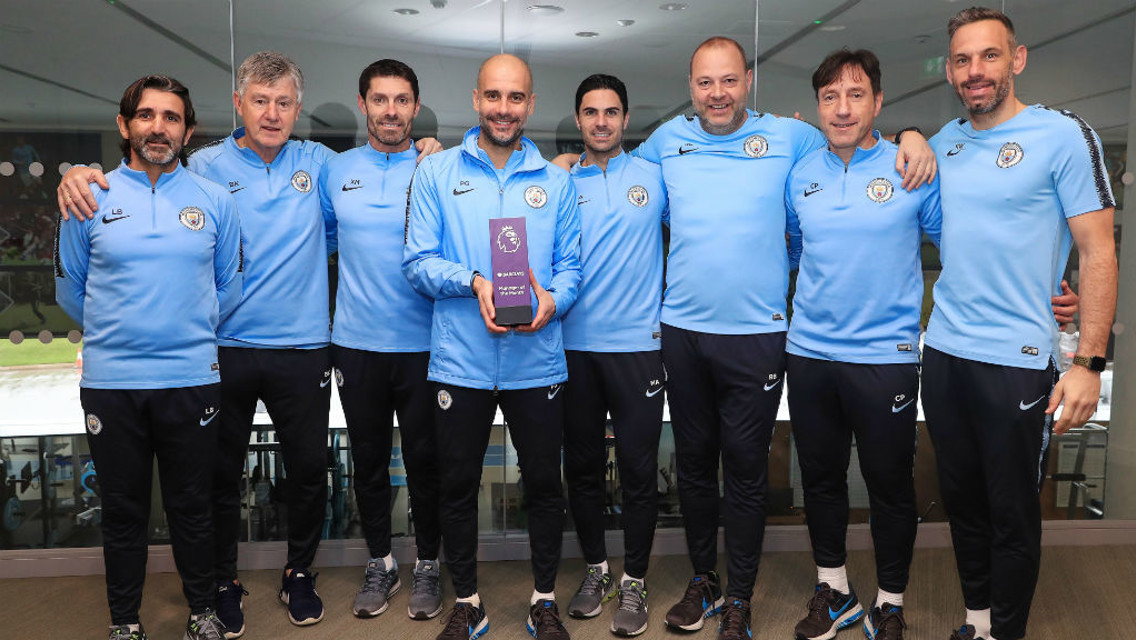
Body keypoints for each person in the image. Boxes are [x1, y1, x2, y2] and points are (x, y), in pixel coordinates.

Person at [56, 51, 441, 638]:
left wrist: (429, 149)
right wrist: (79, 172)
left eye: (284, 102)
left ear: (297, 109)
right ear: (238, 104)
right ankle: (221, 583)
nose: (272, 113)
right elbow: (134, 192)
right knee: (217, 479)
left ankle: (299, 572)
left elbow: (378, 183)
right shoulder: (203, 168)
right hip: (224, 348)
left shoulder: (324, 164)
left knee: (310, 472)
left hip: (306, 345)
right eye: (260, 101)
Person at [629, 37, 936, 640]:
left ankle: (740, 597)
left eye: (728, 80)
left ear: (748, 80)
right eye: (704, 83)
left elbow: (857, 139)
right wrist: (562, 163)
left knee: (747, 470)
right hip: (683, 331)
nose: (717, 93)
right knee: (693, 467)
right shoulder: (666, 141)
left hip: (762, 335)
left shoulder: (793, 139)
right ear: (691, 87)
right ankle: (704, 583)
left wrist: (914, 133)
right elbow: (613, 175)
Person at [922, 8, 1117, 640]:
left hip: (1018, 360)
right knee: (965, 506)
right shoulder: (945, 142)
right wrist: (905, 134)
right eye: (962, 60)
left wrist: (1089, 361)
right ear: (949, 70)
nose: (974, 71)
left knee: (1011, 515)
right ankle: (977, 622)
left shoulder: (1063, 135)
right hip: (946, 354)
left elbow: (1098, 251)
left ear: (1018, 59)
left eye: (988, 56)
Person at [54, 74, 242, 640]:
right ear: (124, 125)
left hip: (192, 380)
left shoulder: (213, 200)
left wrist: (185, 329)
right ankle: (125, 622)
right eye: (147, 115)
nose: (159, 127)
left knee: (193, 505)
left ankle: (203, 611)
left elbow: (229, 285)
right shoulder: (89, 197)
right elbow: (71, 290)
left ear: (187, 130)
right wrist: (126, 334)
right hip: (113, 384)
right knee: (123, 510)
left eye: (172, 117)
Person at [402, 53, 581, 640]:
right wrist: (473, 281)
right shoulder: (436, 173)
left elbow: (573, 269)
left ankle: (544, 600)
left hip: (537, 360)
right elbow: (418, 261)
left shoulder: (558, 183)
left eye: (516, 98)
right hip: (462, 359)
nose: (504, 109)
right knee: (456, 485)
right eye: (493, 96)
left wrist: (552, 299)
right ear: (476, 99)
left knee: (544, 486)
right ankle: (470, 601)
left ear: (530, 104)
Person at [319, 58, 444, 621]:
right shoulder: (334, 171)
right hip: (355, 345)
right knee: (367, 462)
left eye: (401, 100)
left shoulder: (437, 168)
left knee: (425, 462)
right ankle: (380, 562)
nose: (390, 110)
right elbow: (316, 245)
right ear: (364, 103)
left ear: (415, 108)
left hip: (424, 344)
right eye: (379, 99)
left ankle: (429, 565)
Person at [555, 74, 668, 638]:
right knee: (582, 469)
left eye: (612, 112)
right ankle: (597, 570)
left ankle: (637, 580)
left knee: (641, 470)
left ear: (626, 120)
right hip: (573, 349)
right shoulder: (555, 181)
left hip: (639, 351)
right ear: (578, 120)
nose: (602, 121)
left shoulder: (655, 175)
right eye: (591, 112)